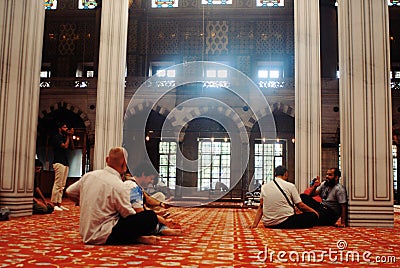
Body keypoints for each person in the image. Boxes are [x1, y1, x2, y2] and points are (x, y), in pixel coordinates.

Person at [66, 147, 159, 245]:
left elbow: (69, 192)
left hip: (86, 232)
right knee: (150, 217)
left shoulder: (89, 176)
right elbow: (128, 214)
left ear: (107, 160)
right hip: (105, 234)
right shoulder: (118, 185)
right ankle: (135, 238)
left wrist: (83, 200)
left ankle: (137, 238)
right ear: (124, 165)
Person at [249, 166, 319, 229]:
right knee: (312, 216)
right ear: (285, 174)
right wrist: (314, 212)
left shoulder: (264, 187)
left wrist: (255, 224)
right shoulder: (290, 186)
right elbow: (300, 205)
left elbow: (261, 206)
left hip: (268, 223)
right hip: (285, 221)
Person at [124, 163, 181, 236]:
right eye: (151, 179)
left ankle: (161, 228)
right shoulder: (133, 186)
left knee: (152, 215)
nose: (151, 181)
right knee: (150, 217)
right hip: (128, 220)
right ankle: (161, 229)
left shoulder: (135, 185)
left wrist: (159, 208)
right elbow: (140, 212)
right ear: (143, 174)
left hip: (132, 215)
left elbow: (146, 201)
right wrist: (164, 221)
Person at [51, 122, 74, 211]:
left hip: (65, 163)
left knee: (62, 185)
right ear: (59, 129)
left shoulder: (65, 138)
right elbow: (64, 146)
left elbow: (72, 148)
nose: (66, 129)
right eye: (64, 127)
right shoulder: (57, 138)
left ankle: (59, 203)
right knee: (58, 184)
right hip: (58, 162)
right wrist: (68, 137)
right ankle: (54, 204)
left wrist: (70, 137)